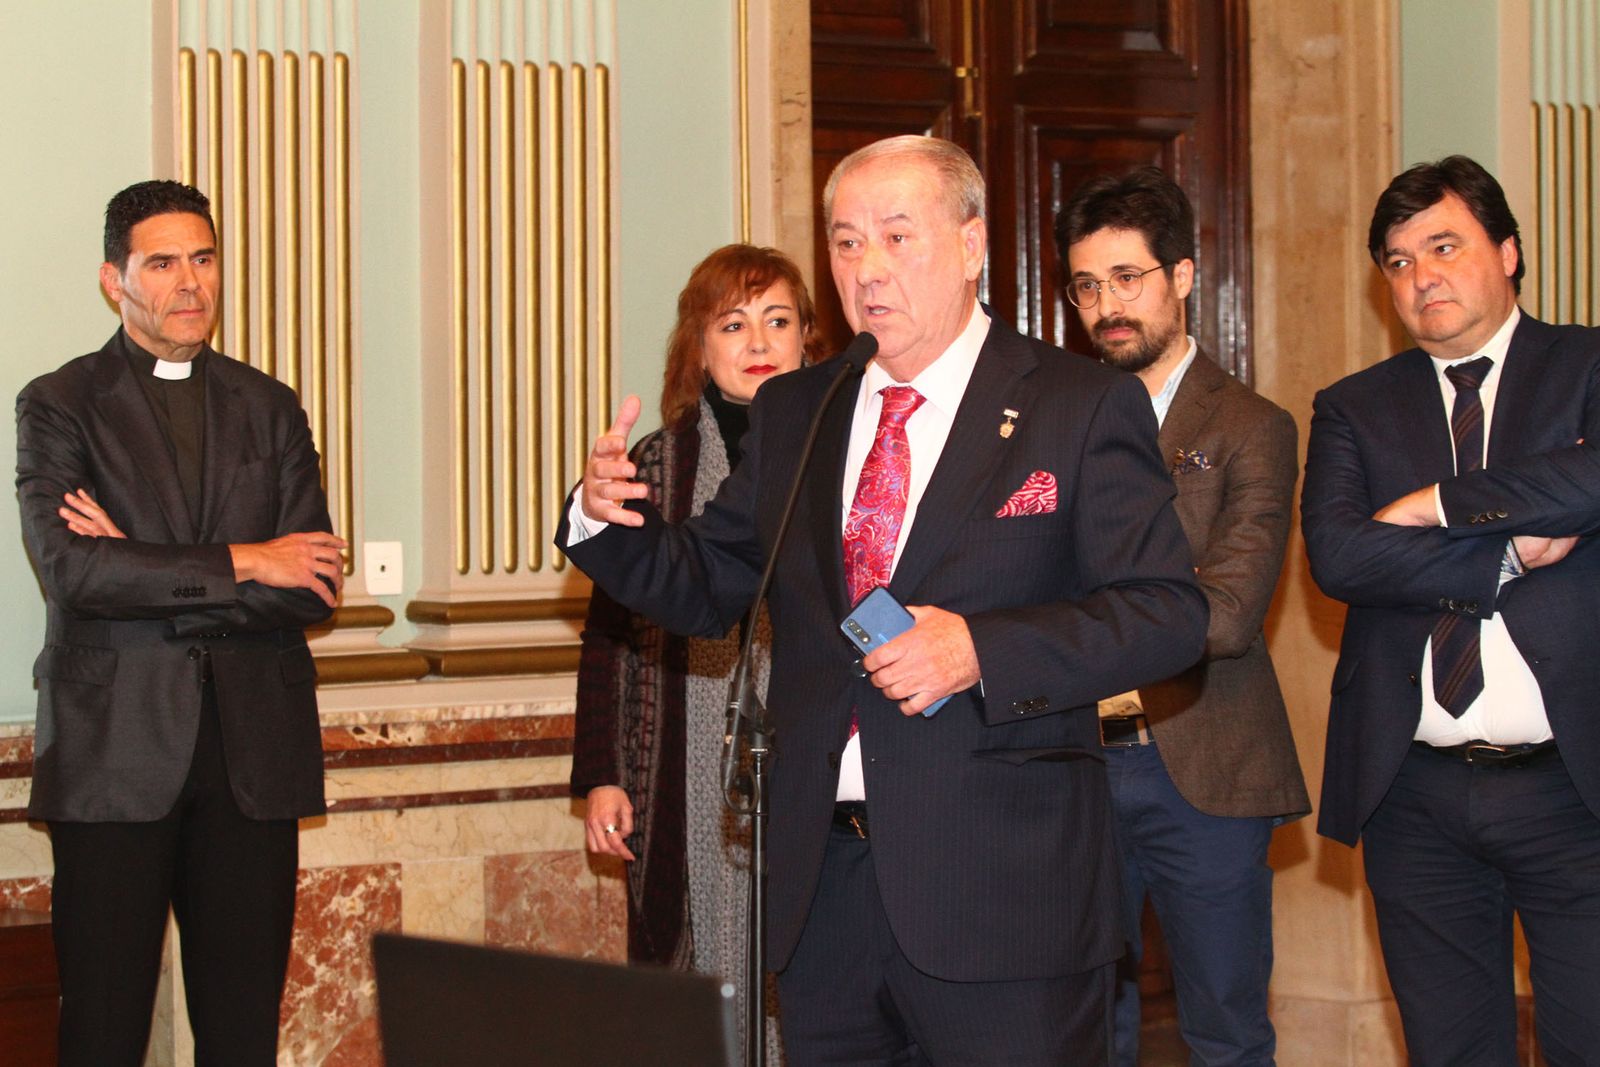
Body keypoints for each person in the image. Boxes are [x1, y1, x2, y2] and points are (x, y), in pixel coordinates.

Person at [561, 135, 1207, 1065]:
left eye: (897, 237)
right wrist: (602, 518)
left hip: (1003, 899)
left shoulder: (1076, 402)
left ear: (973, 243)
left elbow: (1166, 614)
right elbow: (706, 583)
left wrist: (983, 649)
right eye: (846, 241)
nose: (866, 268)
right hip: (827, 893)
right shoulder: (799, 411)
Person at [14, 180, 344, 1066]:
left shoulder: (270, 406)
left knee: (242, 1036)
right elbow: (75, 572)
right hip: (115, 753)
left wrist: (146, 561)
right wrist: (246, 559)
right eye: (162, 262)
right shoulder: (58, 404)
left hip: (252, 756)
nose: (188, 281)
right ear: (112, 280)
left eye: (202, 258)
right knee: (103, 1030)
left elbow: (311, 587)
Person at [1302, 155, 1600, 1064]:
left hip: (1575, 788)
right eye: (1397, 260)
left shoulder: (1585, 362)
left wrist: (1436, 505)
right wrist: (1507, 549)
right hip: (1416, 794)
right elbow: (1341, 554)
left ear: (1508, 252)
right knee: (1449, 1049)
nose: (1421, 275)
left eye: (1444, 245)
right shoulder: (1354, 407)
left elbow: (1589, 479)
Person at [1056, 167, 1310, 1066]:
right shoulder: (1054, 422)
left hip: (1204, 767)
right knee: (1086, 1030)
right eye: (1087, 285)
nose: (1106, 304)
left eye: (1128, 277)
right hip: (1073, 765)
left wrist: (1074, 626)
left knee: (1226, 1031)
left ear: (1184, 275)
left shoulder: (1252, 425)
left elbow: (1231, 612)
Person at [570, 243, 823, 1057]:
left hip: (819, 748)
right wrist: (605, 771)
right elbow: (612, 628)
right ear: (700, 347)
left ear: (808, 339)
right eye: (734, 322)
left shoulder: (845, 453)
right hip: (680, 754)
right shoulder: (653, 464)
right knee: (698, 959)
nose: (758, 340)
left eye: (778, 320)